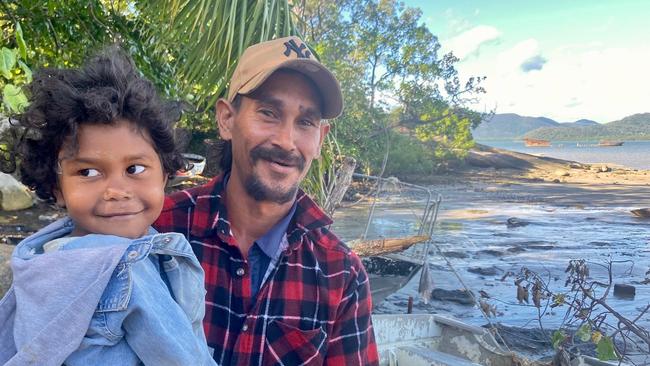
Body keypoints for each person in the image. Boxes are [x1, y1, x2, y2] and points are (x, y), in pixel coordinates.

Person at [155, 36, 379, 365]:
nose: (287, 142)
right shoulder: (157, 231)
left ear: (320, 140)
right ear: (226, 119)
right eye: (269, 113)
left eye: (305, 122)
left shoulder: (341, 274)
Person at [0, 47, 216, 366]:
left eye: (135, 169)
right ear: (57, 188)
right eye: (87, 172)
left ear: (165, 174)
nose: (116, 190)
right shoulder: (127, 267)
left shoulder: (38, 256)